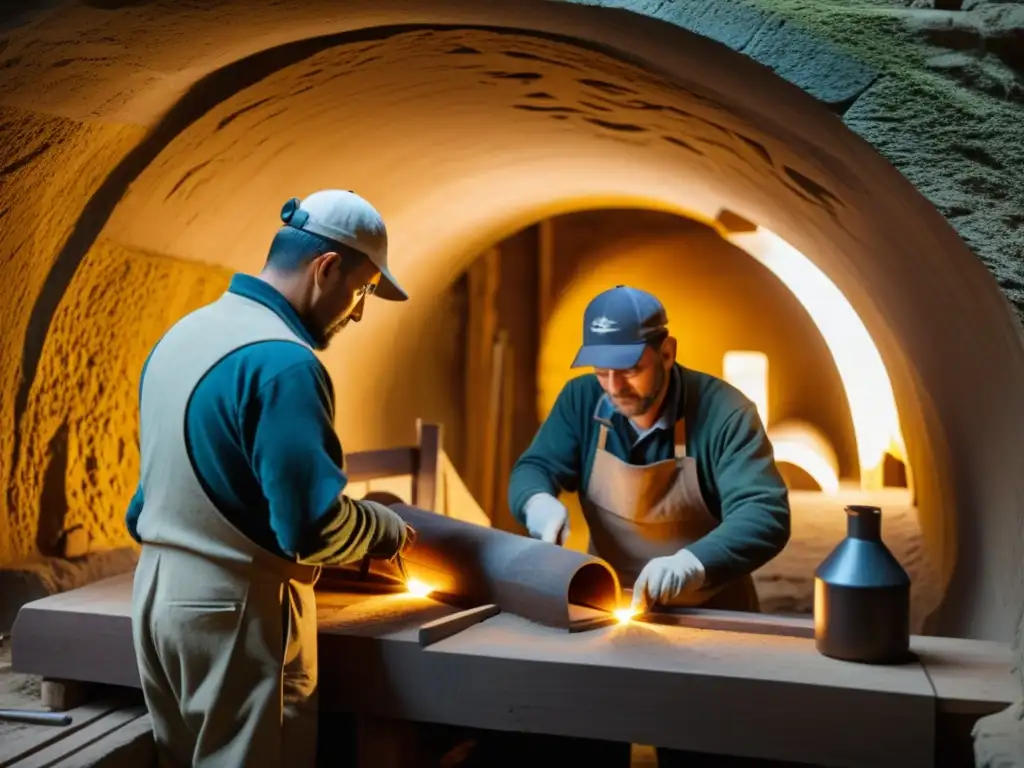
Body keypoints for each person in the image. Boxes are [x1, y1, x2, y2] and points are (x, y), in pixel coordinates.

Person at [125, 190, 415, 768]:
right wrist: (385, 528)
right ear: (326, 268)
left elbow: (161, 490)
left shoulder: (181, 335)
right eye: (359, 292)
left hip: (157, 597)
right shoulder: (284, 362)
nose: (357, 312)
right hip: (234, 607)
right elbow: (311, 528)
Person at [506, 284, 791, 767]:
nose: (615, 386)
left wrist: (692, 563)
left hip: (709, 616)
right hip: (609, 609)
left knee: (704, 747)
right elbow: (533, 467)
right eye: (602, 372)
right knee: (592, 735)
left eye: (631, 370)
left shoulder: (725, 413)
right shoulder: (582, 402)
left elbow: (765, 513)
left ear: (667, 352)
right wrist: (537, 503)